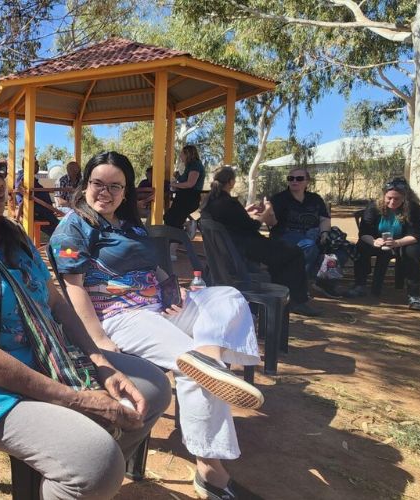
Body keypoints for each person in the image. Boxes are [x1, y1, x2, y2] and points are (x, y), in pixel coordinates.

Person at [0, 140, 172, 500]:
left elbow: (56, 302)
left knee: (153, 387)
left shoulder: (9, 234)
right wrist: (76, 399)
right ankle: (86, 473)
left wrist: (101, 362)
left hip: (48, 361)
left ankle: (69, 484)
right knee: (96, 461)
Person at [50, 152, 263, 500]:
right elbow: (73, 290)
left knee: (228, 297)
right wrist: (99, 340)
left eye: (115, 186)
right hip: (119, 317)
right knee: (194, 369)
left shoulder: (129, 223)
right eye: (97, 184)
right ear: (84, 185)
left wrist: (169, 287)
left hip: (158, 308)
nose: (105, 192)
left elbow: (150, 266)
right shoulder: (73, 226)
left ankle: (207, 354)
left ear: (125, 190)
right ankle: (211, 472)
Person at [201, 167, 321, 316]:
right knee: (294, 253)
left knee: (281, 253)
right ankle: (298, 301)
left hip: (231, 247)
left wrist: (245, 211)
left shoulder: (210, 202)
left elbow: (231, 220)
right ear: (231, 182)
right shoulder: (229, 202)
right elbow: (253, 226)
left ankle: (283, 295)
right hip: (245, 247)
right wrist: (266, 212)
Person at [347, 177, 420, 310]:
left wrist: (397, 242)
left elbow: (416, 234)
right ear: (384, 195)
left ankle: (414, 294)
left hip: (406, 241)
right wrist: (373, 241)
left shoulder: (413, 209)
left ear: (405, 198)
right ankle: (359, 284)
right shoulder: (373, 207)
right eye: (389, 198)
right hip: (380, 242)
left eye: (397, 199)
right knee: (361, 247)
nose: (392, 201)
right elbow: (364, 233)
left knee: (411, 252)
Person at [265, 168, 347, 298]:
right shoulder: (280, 199)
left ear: (307, 181)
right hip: (286, 235)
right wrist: (268, 212)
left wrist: (325, 233)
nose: (294, 181)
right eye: (291, 178)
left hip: (314, 234)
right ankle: (298, 286)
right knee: (309, 246)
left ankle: (323, 281)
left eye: (299, 178)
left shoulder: (315, 199)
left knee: (341, 249)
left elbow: (324, 218)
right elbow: (271, 223)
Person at [164, 144, 206, 229]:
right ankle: (187, 227)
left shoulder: (195, 165)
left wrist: (174, 184)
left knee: (173, 220)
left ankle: (189, 227)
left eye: (182, 154)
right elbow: (185, 182)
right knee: (169, 218)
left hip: (189, 198)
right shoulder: (189, 166)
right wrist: (178, 177)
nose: (180, 156)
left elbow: (190, 183)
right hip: (183, 197)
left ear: (188, 154)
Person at [15, 163, 60, 235]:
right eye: (35, 163)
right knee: (58, 229)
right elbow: (20, 187)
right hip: (36, 211)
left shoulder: (29, 177)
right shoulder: (24, 176)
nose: (38, 165)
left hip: (42, 210)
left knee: (57, 226)